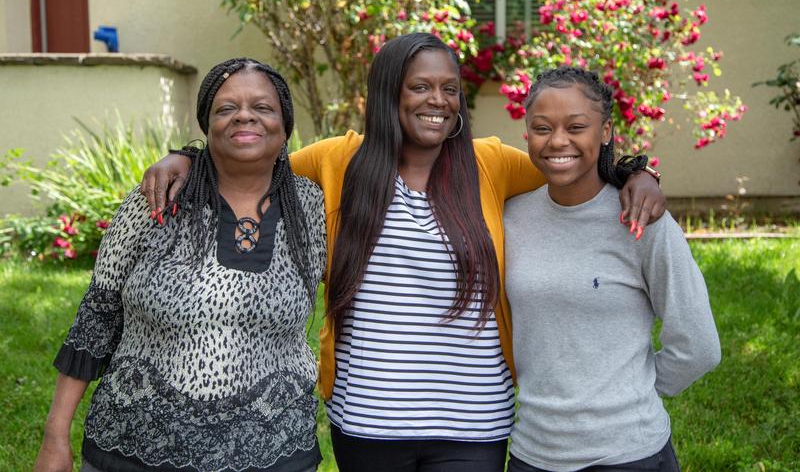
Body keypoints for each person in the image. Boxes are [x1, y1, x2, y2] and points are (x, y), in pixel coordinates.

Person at [140, 33, 666, 472]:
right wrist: (185, 158)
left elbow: (573, 163)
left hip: (474, 423)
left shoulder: (490, 164)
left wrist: (638, 172)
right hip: (367, 420)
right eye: (419, 87)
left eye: (448, 89)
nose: (436, 100)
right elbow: (253, 158)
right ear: (389, 93)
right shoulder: (339, 161)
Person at [33, 58, 327, 472]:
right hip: (134, 450)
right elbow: (96, 318)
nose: (244, 115)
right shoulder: (158, 197)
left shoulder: (312, 206)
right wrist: (55, 436)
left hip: (274, 453)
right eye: (226, 108)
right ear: (207, 124)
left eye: (262, 107)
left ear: (285, 123)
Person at [504, 67, 721, 472]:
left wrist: (630, 393)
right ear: (527, 135)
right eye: (542, 127)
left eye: (576, 126)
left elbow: (699, 346)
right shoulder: (510, 218)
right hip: (532, 454)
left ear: (605, 131)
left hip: (628, 454)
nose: (557, 141)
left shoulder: (642, 220)